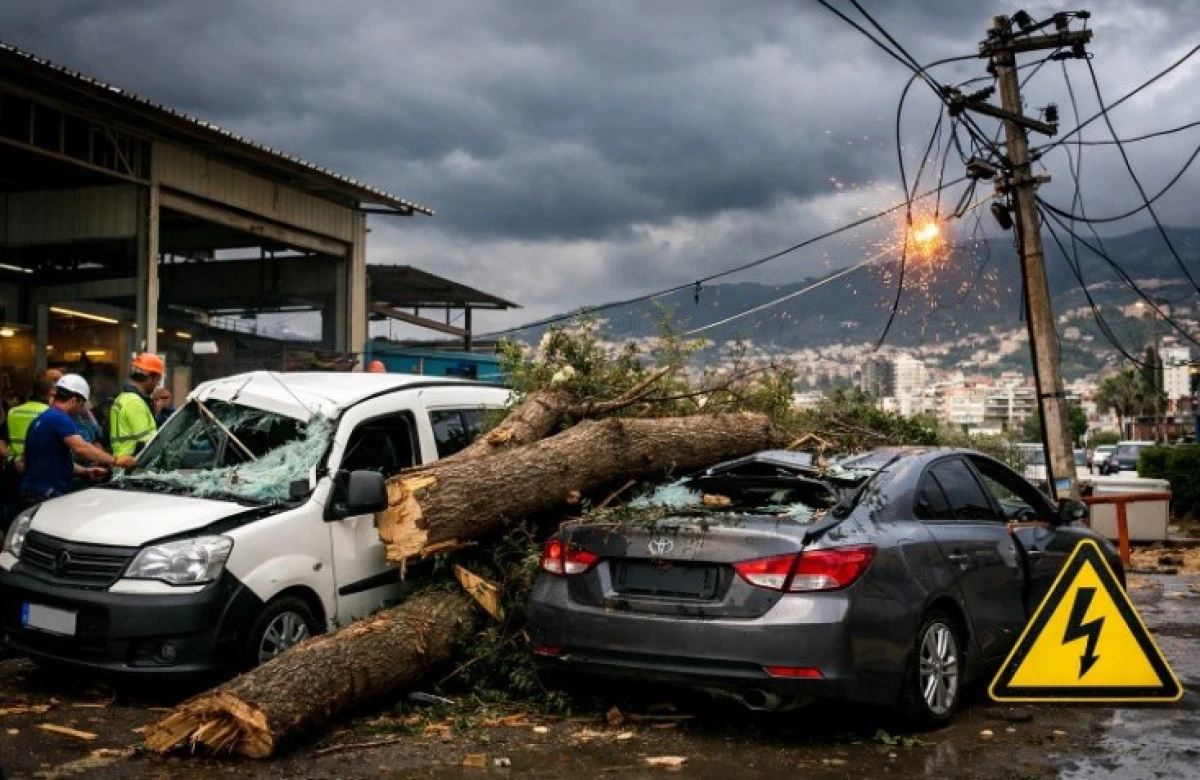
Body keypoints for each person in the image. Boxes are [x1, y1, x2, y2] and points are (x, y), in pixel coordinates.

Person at [19, 374, 135, 507]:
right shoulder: (60, 419)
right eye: (82, 404)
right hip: (46, 492)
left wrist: (85, 471)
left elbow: (55, 459)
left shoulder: (43, 418)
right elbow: (81, 448)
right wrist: (116, 460)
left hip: (34, 490)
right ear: (74, 400)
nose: (81, 410)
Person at [110, 353, 163, 458]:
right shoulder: (134, 402)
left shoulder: (124, 397)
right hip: (132, 465)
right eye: (157, 380)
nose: (157, 384)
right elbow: (148, 442)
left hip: (125, 462)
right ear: (150, 377)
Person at [5, 368, 62, 463]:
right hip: (41, 466)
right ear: (50, 393)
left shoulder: (13, 412)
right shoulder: (53, 414)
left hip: (16, 466)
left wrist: (13, 460)